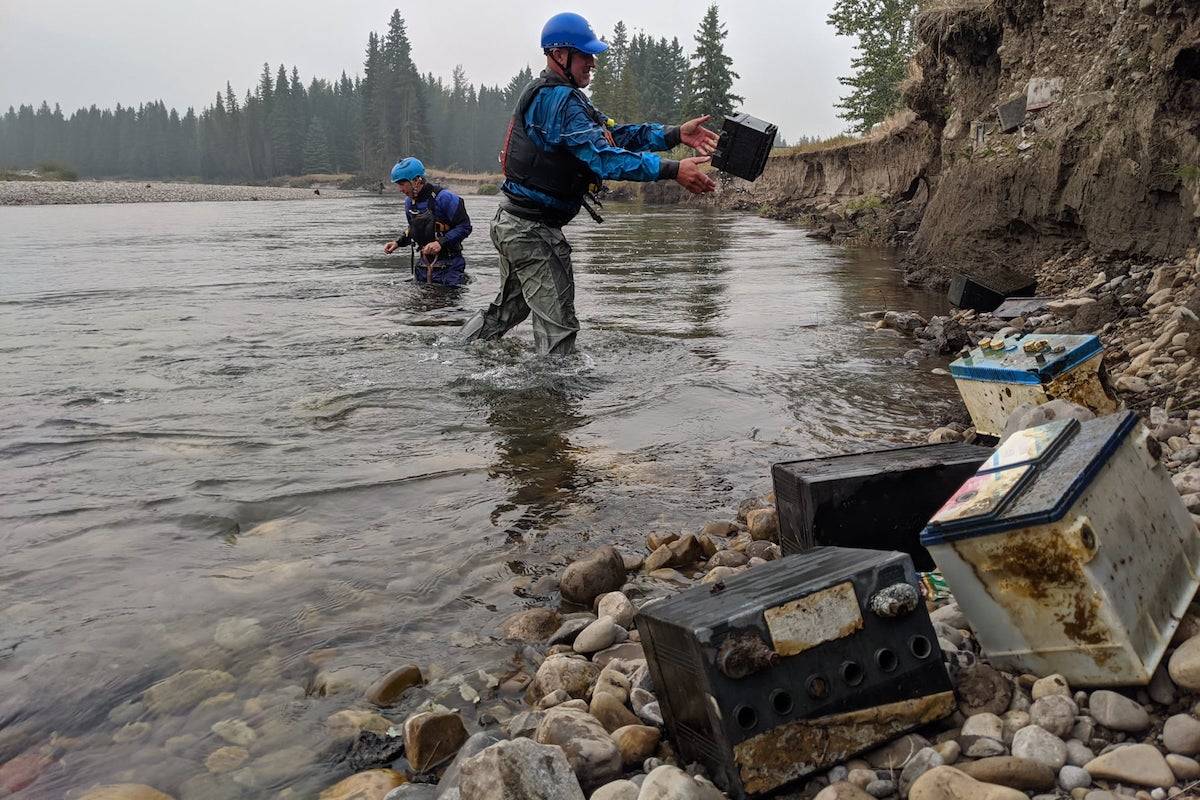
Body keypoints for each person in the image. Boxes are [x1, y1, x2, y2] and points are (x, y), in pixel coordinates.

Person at [461, 11, 718, 355]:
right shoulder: (560, 101)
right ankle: (555, 400)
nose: (593, 62)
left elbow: (615, 136)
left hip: (513, 224)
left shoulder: (561, 97)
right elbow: (603, 158)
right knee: (559, 332)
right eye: (585, 55)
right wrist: (672, 170)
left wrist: (673, 134)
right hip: (532, 231)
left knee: (508, 311)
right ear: (559, 55)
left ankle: (452, 353)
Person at [384, 157, 473, 286]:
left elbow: (465, 227)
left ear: (416, 180)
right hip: (423, 265)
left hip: (450, 266)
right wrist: (398, 242)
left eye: (402, 184)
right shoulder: (409, 203)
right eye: (398, 184)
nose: (400, 189)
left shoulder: (446, 198)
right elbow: (413, 230)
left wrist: (440, 243)